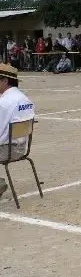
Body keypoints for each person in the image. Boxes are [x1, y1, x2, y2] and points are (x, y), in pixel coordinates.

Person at [0, 64, 35, 198]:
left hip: (5, 150)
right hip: (22, 148)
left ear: (5, 81)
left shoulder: (3, 102)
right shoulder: (25, 99)